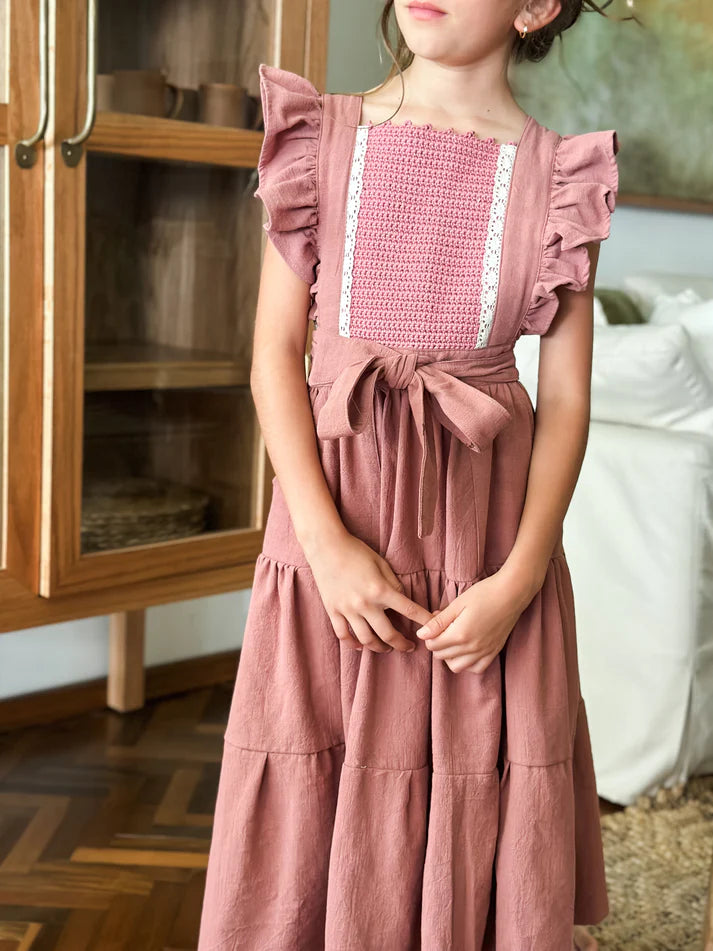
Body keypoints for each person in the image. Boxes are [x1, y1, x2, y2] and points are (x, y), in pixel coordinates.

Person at [197, 1, 622, 948]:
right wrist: (324, 547)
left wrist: (519, 580)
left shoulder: (561, 178)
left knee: (473, 787)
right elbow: (273, 357)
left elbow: (565, 400)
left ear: (534, 8)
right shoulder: (319, 138)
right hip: (333, 533)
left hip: (485, 550)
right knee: (311, 782)